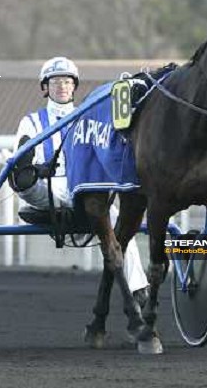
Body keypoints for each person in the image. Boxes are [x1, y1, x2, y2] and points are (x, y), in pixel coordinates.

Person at [9, 56, 149, 304]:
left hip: (82, 188)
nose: (61, 87)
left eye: (66, 81)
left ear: (74, 86)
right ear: (45, 88)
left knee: (121, 223)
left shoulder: (89, 118)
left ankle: (139, 289)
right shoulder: (31, 122)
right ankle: (25, 180)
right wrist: (32, 172)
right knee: (28, 181)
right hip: (45, 190)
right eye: (55, 82)